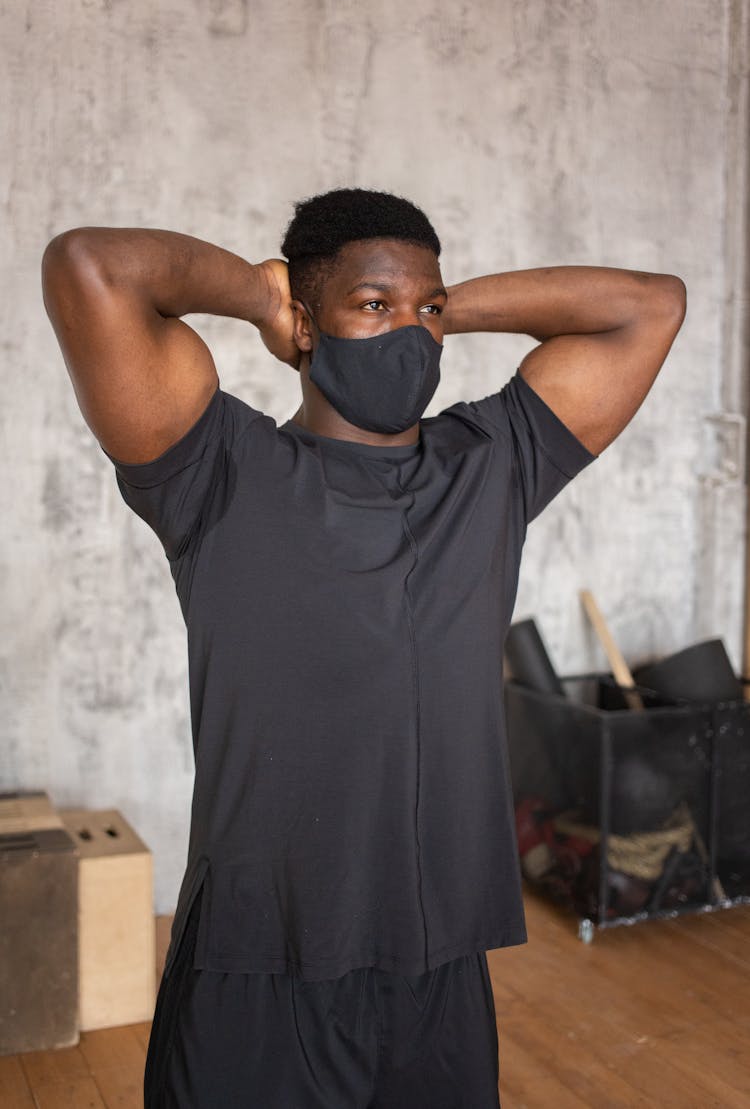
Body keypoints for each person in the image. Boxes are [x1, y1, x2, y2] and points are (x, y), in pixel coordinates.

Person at [42, 188, 686, 1108]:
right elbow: (91, 267)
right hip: (260, 960)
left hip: (438, 962)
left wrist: (441, 305)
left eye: (425, 312)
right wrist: (262, 299)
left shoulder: (491, 464)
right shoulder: (215, 469)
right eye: (373, 306)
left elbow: (649, 305)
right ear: (310, 325)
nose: (409, 335)